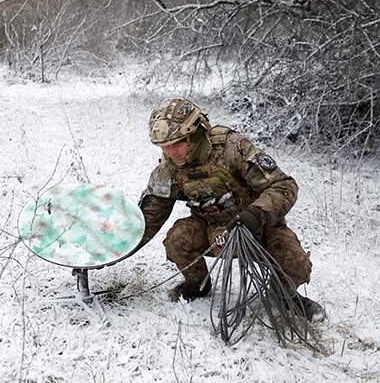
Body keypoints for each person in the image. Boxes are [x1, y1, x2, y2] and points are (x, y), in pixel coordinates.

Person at [137, 98, 325, 322]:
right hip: (212, 232)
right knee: (178, 240)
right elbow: (148, 219)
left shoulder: (233, 149)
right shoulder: (168, 169)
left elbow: (284, 186)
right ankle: (198, 286)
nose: (170, 152)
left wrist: (255, 215)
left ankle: (284, 296)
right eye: (164, 147)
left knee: (295, 263)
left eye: (177, 143)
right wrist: (109, 251)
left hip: (258, 227)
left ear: (195, 135)